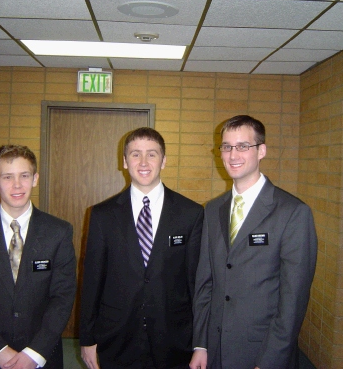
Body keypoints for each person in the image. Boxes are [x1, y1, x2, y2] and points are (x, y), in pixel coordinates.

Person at [190, 115, 317, 369]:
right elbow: (206, 282)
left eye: (243, 146)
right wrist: (201, 344)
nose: (233, 155)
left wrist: (270, 361)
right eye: (226, 146)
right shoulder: (213, 210)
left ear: (262, 151)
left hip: (261, 352)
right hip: (214, 349)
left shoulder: (292, 212)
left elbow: (293, 300)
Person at [79, 127, 204, 369]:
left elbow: (196, 284)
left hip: (175, 339)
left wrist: (201, 343)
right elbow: (92, 281)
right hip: (116, 337)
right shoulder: (102, 215)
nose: (144, 162)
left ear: (164, 160)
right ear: (124, 162)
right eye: (135, 154)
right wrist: (87, 338)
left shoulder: (191, 213)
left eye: (152, 154)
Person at [0, 144, 77, 369]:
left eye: (24, 176)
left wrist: (34, 353)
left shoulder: (58, 232)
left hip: (42, 356)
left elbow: (63, 297)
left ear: (35, 178)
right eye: (8, 177)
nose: (17, 185)